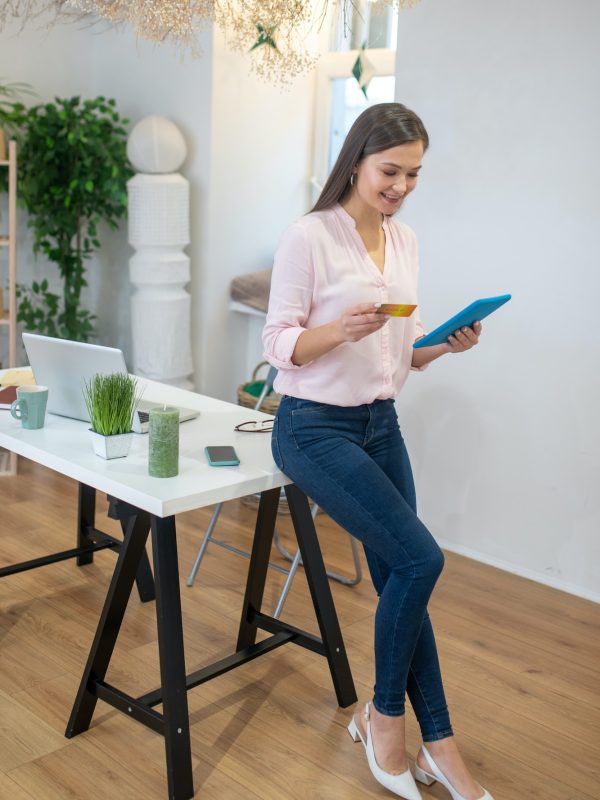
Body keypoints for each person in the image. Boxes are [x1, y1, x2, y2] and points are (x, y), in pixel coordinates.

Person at [262, 102, 494, 800]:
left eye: (414, 174)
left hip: (379, 426)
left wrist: (441, 347)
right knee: (422, 560)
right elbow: (277, 346)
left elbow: (403, 350)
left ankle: (441, 745)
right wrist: (338, 331)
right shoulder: (309, 237)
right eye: (390, 170)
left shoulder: (406, 242)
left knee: (404, 577)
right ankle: (384, 719)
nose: (400, 185)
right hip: (310, 427)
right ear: (357, 160)